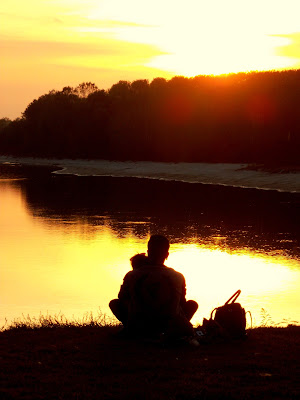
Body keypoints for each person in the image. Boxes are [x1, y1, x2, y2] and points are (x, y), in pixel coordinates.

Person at [109, 235, 198, 339]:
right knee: (192, 304)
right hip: (169, 325)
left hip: (139, 324)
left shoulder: (132, 275)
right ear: (167, 254)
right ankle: (171, 330)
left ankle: (131, 329)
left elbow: (122, 298)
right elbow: (181, 303)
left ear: (148, 252)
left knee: (114, 303)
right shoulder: (178, 276)